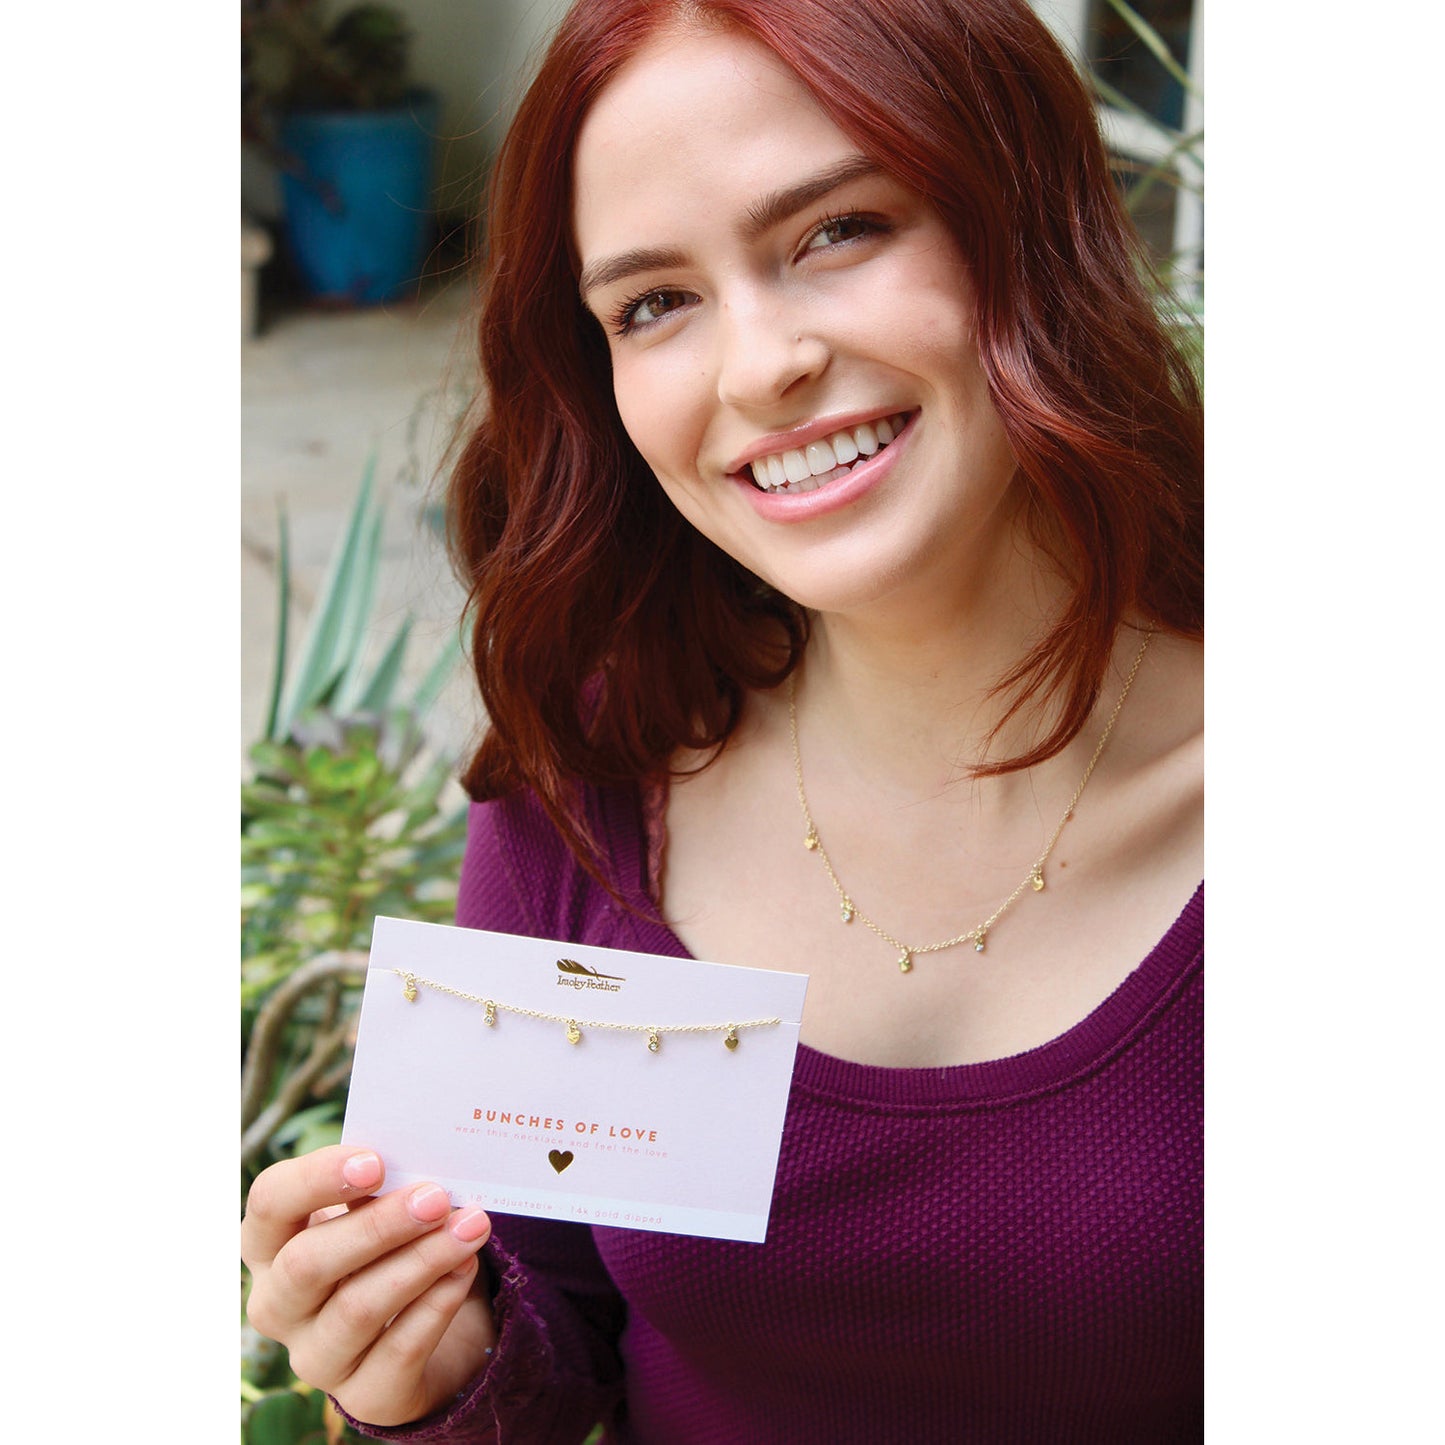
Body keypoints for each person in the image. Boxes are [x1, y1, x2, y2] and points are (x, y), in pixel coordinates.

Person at [241, 0, 1204, 1439]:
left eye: (836, 232)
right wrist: (425, 1364)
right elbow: (547, 1311)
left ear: (1028, 213)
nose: (759, 369)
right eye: (652, 304)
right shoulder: (595, 776)